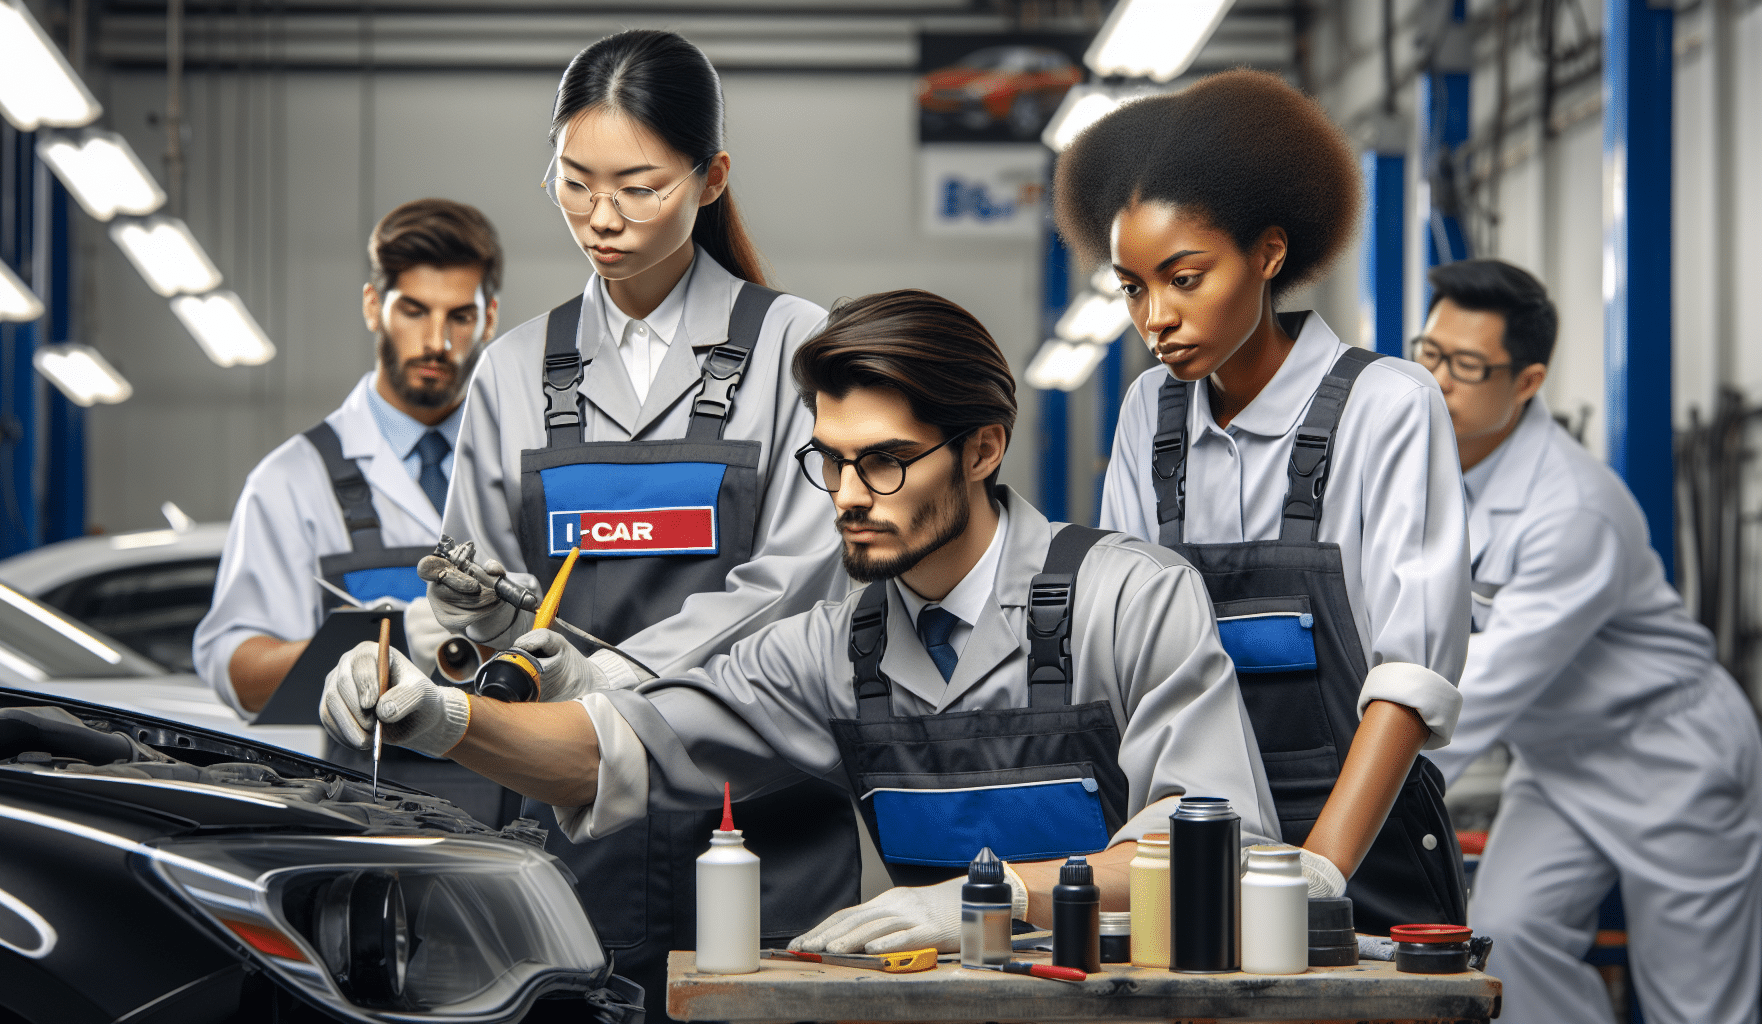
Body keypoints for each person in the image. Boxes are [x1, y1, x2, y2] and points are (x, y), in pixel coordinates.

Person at [321, 288, 1280, 954]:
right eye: (830, 461)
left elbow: (1218, 845)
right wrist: (442, 718)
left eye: (886, 462)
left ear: (983, 448)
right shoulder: (829, 649)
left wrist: (991, 898)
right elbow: (614, 751)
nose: (848, 497)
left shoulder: (1132, 601)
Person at [409, 30, 857, 1021]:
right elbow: (474, 601)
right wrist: (453, 637)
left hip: (760, 840)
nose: (600, 220)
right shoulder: (515, 369)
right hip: (568, 842)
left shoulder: (799, 348)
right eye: (575, 184)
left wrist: (606, 681)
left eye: (638, 187)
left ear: (710, 179)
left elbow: (795, 587)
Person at [1058, 69, 1471, 934]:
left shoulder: (1387, 404)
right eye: (1133, 287)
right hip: (1191, 847)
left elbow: (1411, 675)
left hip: (1364, 851)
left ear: (1269, 254)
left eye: (1185, 277)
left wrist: (1318, 871)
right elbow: (1132, 656)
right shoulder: (1149, 416)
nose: (1154, 317)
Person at [1415, 259, 1762, 1024]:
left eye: (1466, 366)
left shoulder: (1572, 508)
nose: (1437, 379)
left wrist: (1354, 804)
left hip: (1670, 758)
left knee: (1694, 1005)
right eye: (1429, 353)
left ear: (1527, 382)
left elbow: (1487, 688)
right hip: (1560, 763)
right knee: (1504, 938)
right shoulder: (1430, 473)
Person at [195, 198, 501, 716]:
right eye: (413, 310)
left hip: (513, 787)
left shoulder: (514, 464)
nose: (436, 342)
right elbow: (240, 675)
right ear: (371, 306)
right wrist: (381, 643)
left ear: (489, 318)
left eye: (460, 316)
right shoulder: (292, 481)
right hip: (365, 791)